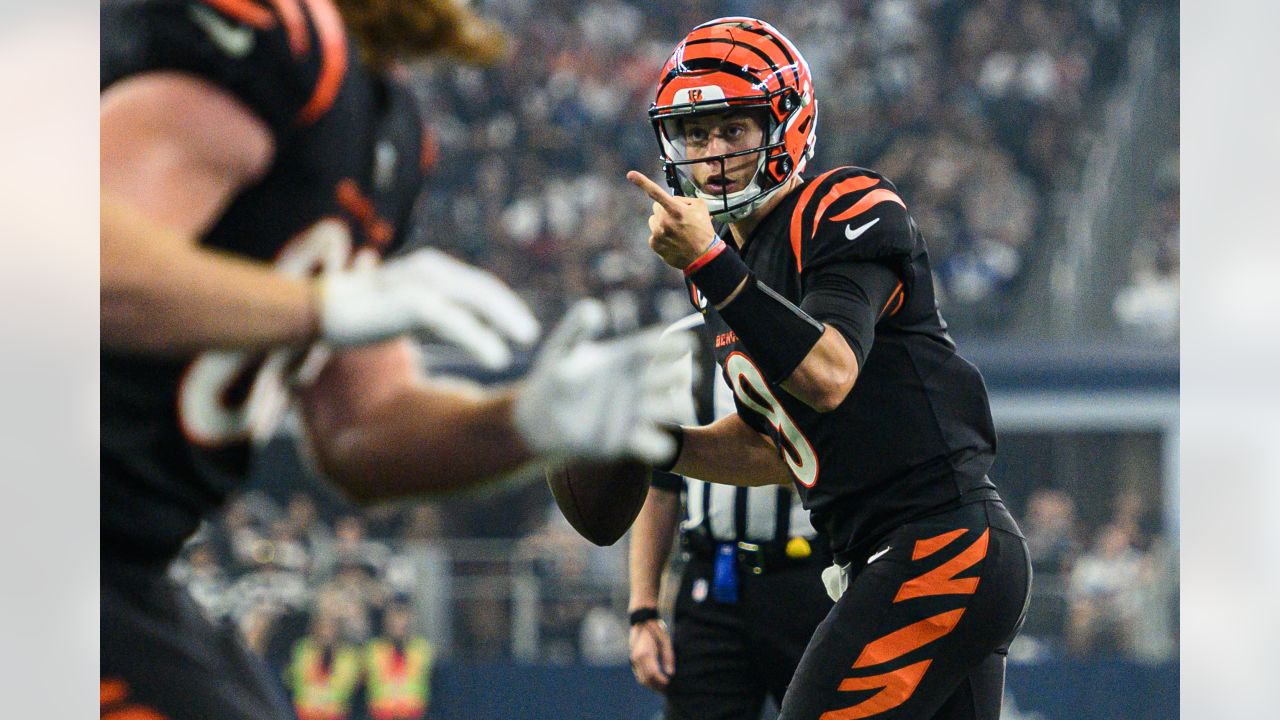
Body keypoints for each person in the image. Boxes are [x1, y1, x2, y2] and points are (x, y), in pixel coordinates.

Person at [100, 1, 689, 717]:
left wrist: (526, 420)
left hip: (126, 562)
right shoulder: (277, 40)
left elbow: (362, 429)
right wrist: (319, 310)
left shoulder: (385, 125)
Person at [626, 17, 1032, 720]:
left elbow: (830, 374)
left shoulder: (841, 206)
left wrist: (711, 265)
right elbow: (779, 448)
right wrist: (667, 447)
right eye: (696, 135)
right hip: (902, 552)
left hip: (939, 543)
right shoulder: (721, 276)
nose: (713, 153)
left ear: (784, 127)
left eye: (734, 129)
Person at [628, 313, 833, 720]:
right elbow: (660, 488)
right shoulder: (678, 346)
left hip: (812, 578)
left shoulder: (814, 339)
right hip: (713, 581)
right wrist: (643, 610)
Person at [364, 599, 434, 720]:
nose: (398, 624)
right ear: (385, 623)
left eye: (402, 619)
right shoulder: (372, 650)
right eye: (394, 621)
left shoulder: (423, 649)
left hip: (413, 714)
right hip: (381, 714)